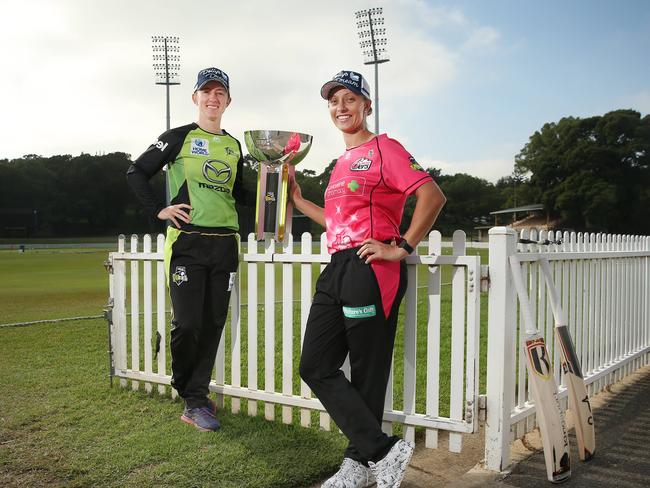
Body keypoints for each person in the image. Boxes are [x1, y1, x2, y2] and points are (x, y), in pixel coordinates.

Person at [291, 70, 446, 488]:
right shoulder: (340, 162)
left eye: (349, 99)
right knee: (315, 365)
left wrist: (403, 246)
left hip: (371, 267)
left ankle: (357, 465)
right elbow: (338, 221)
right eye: (333, 101)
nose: (341, 107)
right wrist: (300, 200)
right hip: (337, 264)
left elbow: (432, 196)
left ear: (366, 105)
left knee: (367, 370)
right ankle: (382, 450)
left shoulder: (386, 148)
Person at [126, 67, 250, 432]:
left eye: (220, 93)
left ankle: (197, 397)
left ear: (228, 100)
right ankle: (189, 392)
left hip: (226, 242)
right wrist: (158, 210)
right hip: (188, 242)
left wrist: (275, 186)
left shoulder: (234, 145)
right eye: (206, 92)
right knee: (188, 324)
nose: (213, 98)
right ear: (195, 97)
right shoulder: (178, 137)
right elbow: (135, 172)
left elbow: (239, 193)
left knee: (212, 324)